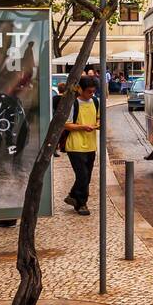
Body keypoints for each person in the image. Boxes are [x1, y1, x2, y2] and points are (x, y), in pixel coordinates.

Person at [63, 76, 100, 216]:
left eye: (93, 91)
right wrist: (83, 127)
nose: (92, 94)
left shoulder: (95, 101)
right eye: (89, 92)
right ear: (80, 90)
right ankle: (82, 204)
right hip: (75, 145)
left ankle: (74, 197)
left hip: (91, 145)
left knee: (87, 176)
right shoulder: (73, 104)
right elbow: (66, 125)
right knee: (83, 176)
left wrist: (98, 124)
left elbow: (98, 118)